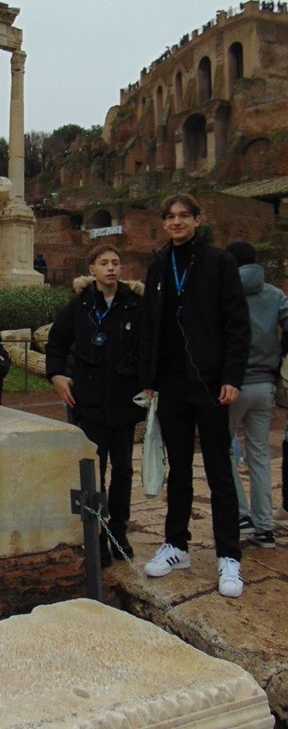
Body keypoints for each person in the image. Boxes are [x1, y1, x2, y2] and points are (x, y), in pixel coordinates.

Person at [140, 194, 250, 598]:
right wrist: (148, 377)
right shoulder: (158, 264)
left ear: (197, 220)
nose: (176, 222)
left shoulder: (220, 263)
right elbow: (150, 324)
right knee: (180, 470)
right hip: (172, 383)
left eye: (184, 215)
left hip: (209, 382)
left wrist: (232, 376)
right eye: (170, 216)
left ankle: (229, 555)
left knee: (219, 471)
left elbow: (237, 324)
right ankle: (177, 545)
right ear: (163, 223)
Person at [46, 244, 144, 565]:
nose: (111, 268)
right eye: (104, 263)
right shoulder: (79, 306)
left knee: (124, 470)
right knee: (93, 471)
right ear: (92, 269)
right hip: (89, 401)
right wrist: (57, 375)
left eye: (116, 262)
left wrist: (150, 382)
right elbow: (57, 342)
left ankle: (119, 530)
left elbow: (150, 347)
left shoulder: (134, 305)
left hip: (123, 400)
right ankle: (97, 534)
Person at [224, 241, 288, 549]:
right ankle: (265, 528)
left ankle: (241, 514)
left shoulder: (224, 292)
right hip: (265, 385)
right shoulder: (275, 294)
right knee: (259, 455)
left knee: (223, 451)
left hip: (231, 384)